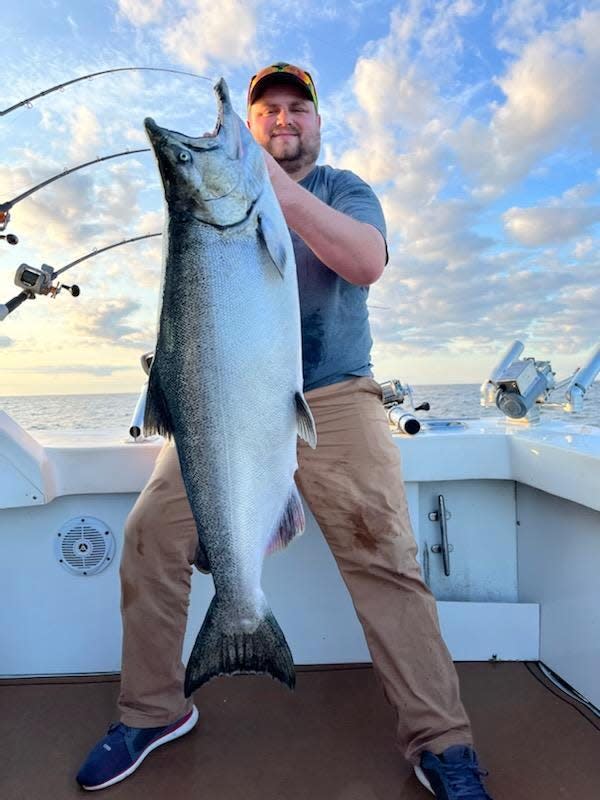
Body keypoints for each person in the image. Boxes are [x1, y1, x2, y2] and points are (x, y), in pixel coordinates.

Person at [76, 63, 494, 800]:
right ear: (252, 122)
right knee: (148, 536)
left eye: (298, 108)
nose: (283, 121)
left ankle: (442, 741)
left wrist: (273, 187)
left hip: (334, 395)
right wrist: (239, 189)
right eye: (266, 112)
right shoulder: (215, 209)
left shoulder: (342, 189)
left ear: (318, 123)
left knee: (386, 557)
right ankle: (154, 711)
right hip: (230, 405)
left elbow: (365, 261)